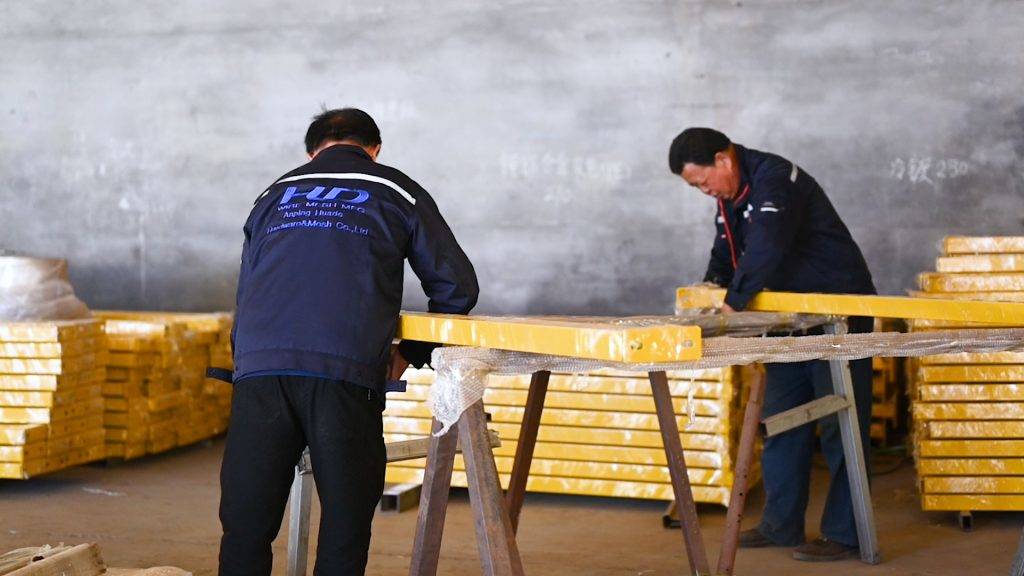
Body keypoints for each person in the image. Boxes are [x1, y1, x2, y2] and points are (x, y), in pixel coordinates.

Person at [220, 108, 479, 575]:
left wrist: (249, 364)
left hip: (259, 370)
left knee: (246, 525)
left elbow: (248, 289)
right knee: (345, 524)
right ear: (374, 149)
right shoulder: (396, 189)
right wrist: (410, 353)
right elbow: (457, 288)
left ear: (311, 152)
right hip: (345, 372)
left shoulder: (273, 194)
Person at [668, 127, 875, 562]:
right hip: (788, 320)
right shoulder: (730, 196)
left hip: (836, 317)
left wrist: (732, 308)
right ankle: (781, 525)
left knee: (841, 425)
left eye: (702, 182)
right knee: (782, 422)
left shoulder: (775, 180)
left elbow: (766, 246)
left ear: (723, 159)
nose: (705, 191)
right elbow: (727, 251)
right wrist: (710, 287)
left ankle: (847, 533)